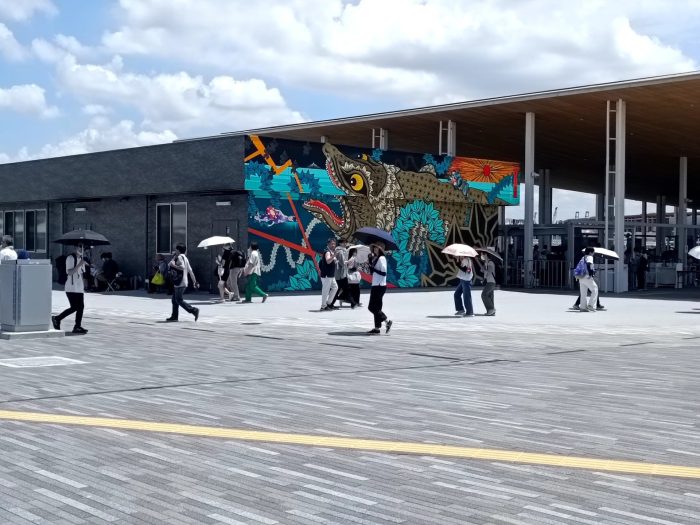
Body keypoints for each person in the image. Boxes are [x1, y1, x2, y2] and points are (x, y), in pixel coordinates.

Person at [52, 245, 88, 334]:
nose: (81, 249)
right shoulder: (70, 258)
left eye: (83, 248)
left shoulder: (82, 259)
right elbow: (69, 272)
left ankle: (77, 326)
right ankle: (57, 318)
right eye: (79, 247)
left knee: (81, 307)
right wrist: (79, 264)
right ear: (75, 248)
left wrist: (83, 286)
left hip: (79, 287)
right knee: (74, 307)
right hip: (71, 287)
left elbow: (81, 274)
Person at [166, 244, 200, 322]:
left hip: (179, 282)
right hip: (183, 282)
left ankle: (194, 310)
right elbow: (190, 271)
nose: (175, 251)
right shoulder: (185, 258)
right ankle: (174, 316)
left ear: (178, 250)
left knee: (178, 300)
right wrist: (195, 281)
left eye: (176, 249)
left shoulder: (180, 257)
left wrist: (173, 265)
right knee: (174, 300)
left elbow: (182, 267)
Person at [367, 241, 392, 334]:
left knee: (371, 307)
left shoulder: (381, 258)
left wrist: (374, 269)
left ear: (380, 249)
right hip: (376, 284)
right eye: (374, 247)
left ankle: (386, 321)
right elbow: (371, 272)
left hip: (379, 285)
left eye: (377, 247)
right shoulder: (376, 258)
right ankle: (377, 328)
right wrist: (370, 260)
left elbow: (383, 273)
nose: (375, 249)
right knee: (377, 308)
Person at [330, 238, 356, 309]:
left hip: (340, 274)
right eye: (343, 242)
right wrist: (348, 262)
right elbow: (342, 263)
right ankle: (353, 303)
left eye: (346, 242)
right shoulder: (340, 251)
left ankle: (331, 303)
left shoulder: (342, 251)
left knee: (338, 289)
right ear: (340, 243)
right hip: (341, 274)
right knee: (346, 289)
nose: (345, 244)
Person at [318, 238, 338, 311]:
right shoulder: (327, 252)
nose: (333, 245)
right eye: (332, 244)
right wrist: (334, 256)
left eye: (334, 244)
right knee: (325, 291)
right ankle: (323, 306)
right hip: (327, 275)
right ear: (328, 244)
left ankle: (328, 303)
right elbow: (328, 261)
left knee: (335, 287)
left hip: (331, 275)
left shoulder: (331, 252)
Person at [577, 247, 598, 312]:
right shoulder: (589, 257)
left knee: (583, 293)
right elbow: (589, 264)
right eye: (593, 252)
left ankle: (583, 307)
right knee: (595, 289)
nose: (593, 254)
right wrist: (591, 273)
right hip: (587, 276)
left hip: (581, 277)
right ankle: (591, 305)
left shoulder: (583, 258)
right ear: (590, 252)